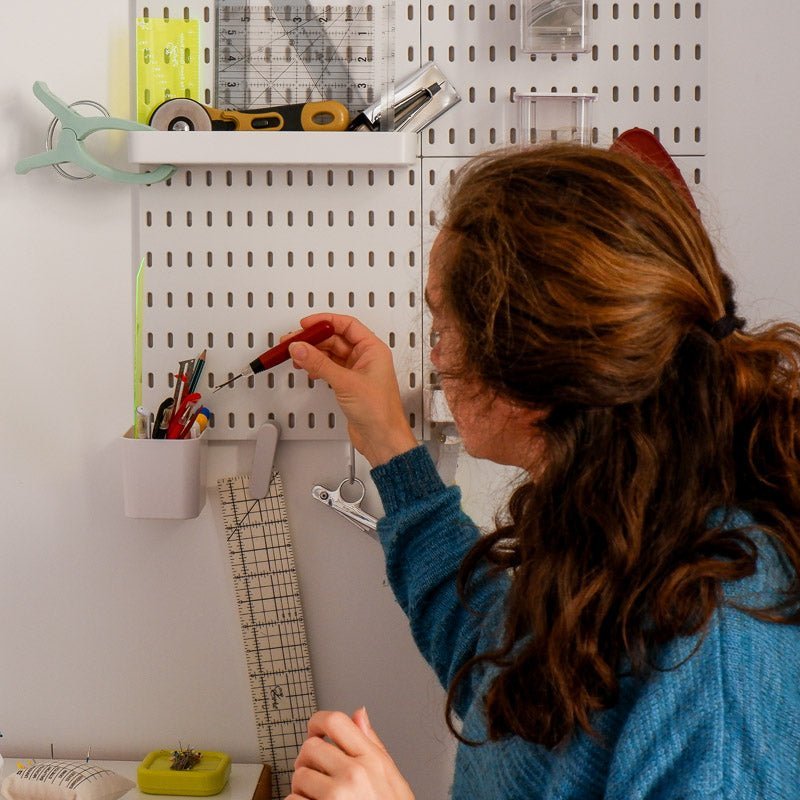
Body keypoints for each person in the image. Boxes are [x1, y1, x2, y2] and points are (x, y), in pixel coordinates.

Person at [283, 143, 800, 799]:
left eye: (443, 322)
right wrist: (389, 443)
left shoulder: (717, 645)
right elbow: (502, 672)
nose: (435, 354)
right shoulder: (623, 524)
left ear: (532, 381)